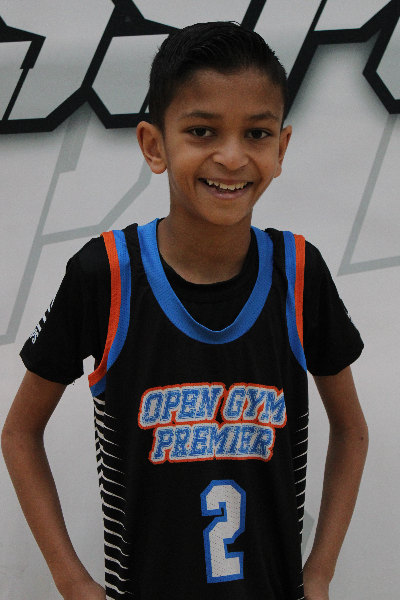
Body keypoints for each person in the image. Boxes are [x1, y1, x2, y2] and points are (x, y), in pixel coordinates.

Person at [2, 21, 368, 600]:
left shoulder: (299, 272)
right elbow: (20, 432)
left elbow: (351, 430)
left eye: (256, 133)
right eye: (202, 131)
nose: (232, 156)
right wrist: (72, 582)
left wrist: (318, 574)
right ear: (155, 145)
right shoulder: (106, 275)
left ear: (281, 149)